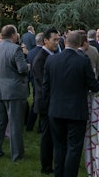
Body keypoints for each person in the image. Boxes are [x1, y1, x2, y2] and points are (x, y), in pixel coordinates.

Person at [43, 30, 99, 177]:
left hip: (56, 110)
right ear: (79, 44)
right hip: (75, 111)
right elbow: (93, 84)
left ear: (64, 42)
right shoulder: (83, 61)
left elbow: (45, 87)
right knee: (73, 148)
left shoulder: (51, 60)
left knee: (59, 147)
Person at [0, 24, 29, 161]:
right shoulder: (16, 49)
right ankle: (17, 154)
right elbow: (22, 69)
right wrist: (29, 66)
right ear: (13, 35)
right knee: (15, 123)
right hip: (14, 90)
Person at [32, 28, 60, 174]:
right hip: (45, 103)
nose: (57, 42)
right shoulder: (41, 59)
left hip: (51, 102)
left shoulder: (51, 56)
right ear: (45, 41)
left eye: (58, 39)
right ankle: (46, 166)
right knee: (47, 137)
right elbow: (42, 85)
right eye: (54, 40)